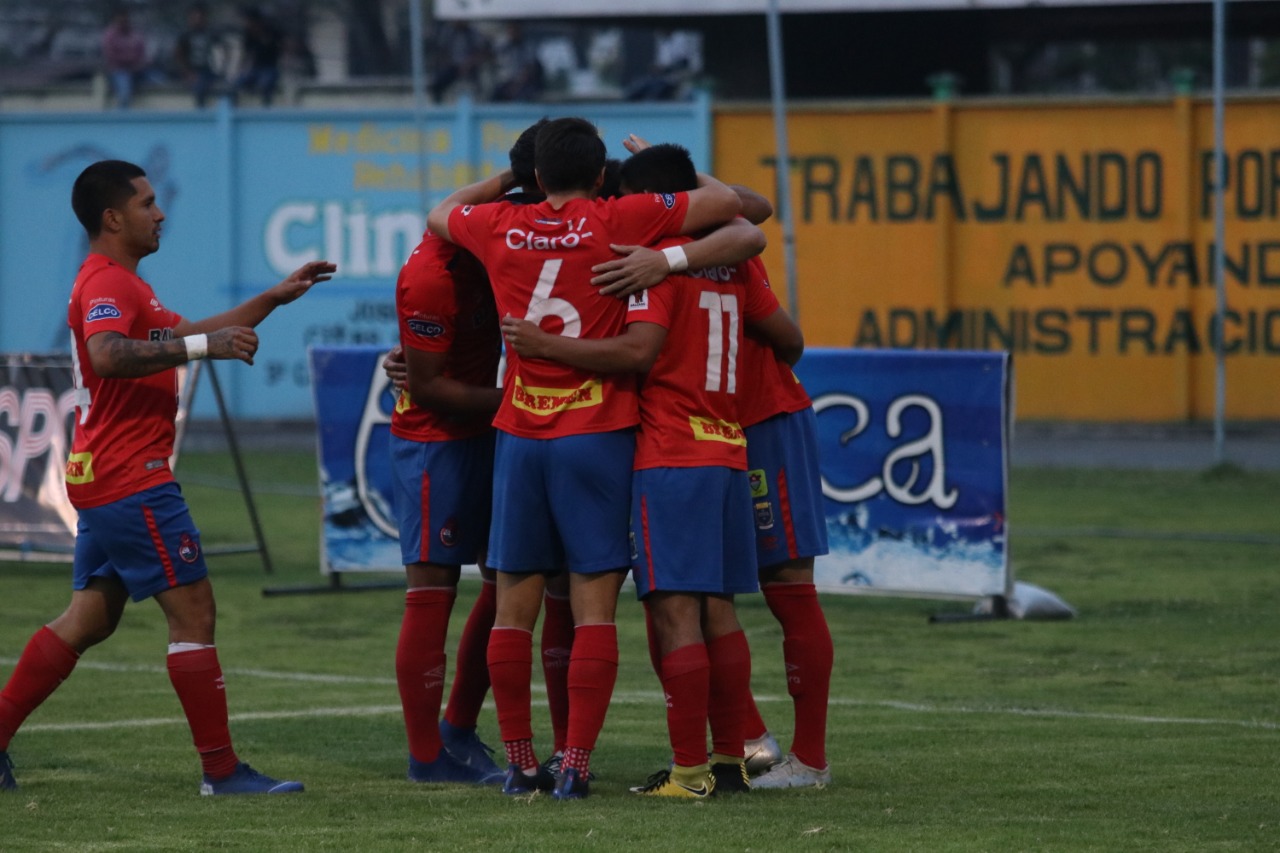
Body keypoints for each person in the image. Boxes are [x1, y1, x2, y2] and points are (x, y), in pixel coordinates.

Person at [426, 117, 741, 800]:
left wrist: (510, 180)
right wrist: (664, 244)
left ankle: (520, 762)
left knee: (514, 608)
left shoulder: (497, 225)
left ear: (536, 177)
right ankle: (574, 765)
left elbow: (441, 212)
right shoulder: (621, 216)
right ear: (601, 175)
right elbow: (731, 207)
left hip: (520, 433)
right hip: (597, 432)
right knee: (595, 609)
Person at [0, 159, 336, 796]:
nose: (160, 213)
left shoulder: (130, 285)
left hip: (105, 474)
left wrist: (273, 297)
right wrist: (207, 348)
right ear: (112, 217)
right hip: (132, 477)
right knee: (194, 615)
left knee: (89, 619)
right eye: (148, 203)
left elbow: (185, 334)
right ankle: (221, 773)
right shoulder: (106, 282)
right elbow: (108, 354)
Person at [501, 142, 797, 800]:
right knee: (719, 610)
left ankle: (689, 771)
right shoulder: (731, 264)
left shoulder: (653, 273)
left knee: (674, 615)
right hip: (727, 445)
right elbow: (754, 221)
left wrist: (548, 345)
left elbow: (638, 350)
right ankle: (729, 759)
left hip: (672, 453)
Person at [582, 147, 834, 790]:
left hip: (759, 422)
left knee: (776, 584)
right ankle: (743, 745)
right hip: (720, 435)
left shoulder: (691, 256)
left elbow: (756, 222)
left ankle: (805, 760)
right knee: (696, 597)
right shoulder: (712, 254)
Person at [230, 6, 283, 107]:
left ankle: (265, 109)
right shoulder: (248, 35)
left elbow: (279, 50)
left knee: (265, 84)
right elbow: (247, 55)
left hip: (269, 68)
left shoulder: (271, 32)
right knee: (236, 84)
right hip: (255, 69)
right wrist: (241, 70)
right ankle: (236, 109)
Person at [101, 7, 151, 109]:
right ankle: (122, 116)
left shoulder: (136, 34)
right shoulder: (109, 35)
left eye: (125, 20)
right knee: (124, 93)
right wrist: (130, 60)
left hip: (138, 70)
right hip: (119, 70)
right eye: (120, 20)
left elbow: (143, 54)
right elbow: (111, 56)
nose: (123, 22)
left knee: (159, 80)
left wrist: (138, 64)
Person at [173, 3, 220, 108]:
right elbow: (178, 56)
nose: (197, 20)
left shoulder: (211, 34)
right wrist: (188, 73)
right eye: (195, 17)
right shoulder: (185, 36)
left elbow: (221, 52)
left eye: (200, 17)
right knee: (200, 88)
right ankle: (200, 112)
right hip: (193, 71)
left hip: (209, 71)